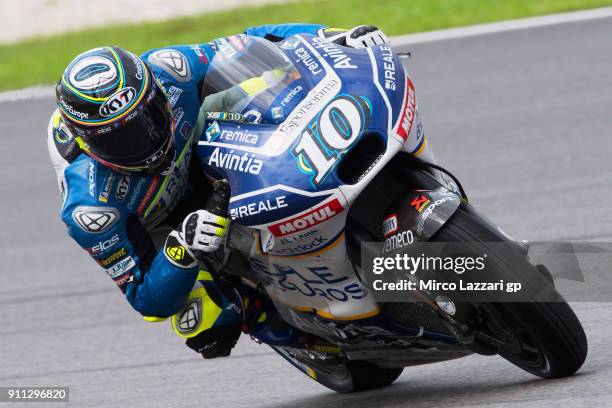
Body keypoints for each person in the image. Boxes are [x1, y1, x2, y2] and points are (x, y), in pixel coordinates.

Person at [47, 24, 390, 358]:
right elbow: (146, 299)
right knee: (208, 323)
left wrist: (326, 35)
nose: (145, 139)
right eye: (119, 139)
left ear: (155, 92)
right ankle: (300, 335)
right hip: (160, 224)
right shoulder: (92, 209)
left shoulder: (169, 69)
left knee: (274, 81)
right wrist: (182, 249)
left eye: (148, 115)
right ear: (87, 143)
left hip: (196, 147)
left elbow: (249, 43)